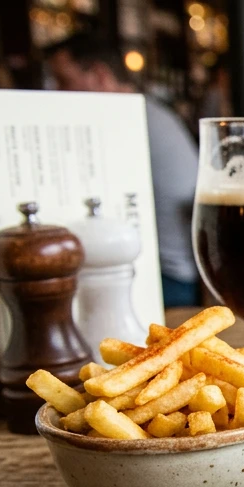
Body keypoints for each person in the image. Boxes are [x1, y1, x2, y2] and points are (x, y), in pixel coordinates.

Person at [45, 33, 201, 307]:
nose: (55, 93)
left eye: (64, 81)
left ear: (100, 75)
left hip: (168, 281)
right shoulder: (150, 111)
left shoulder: (123, 121)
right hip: (182, 271)